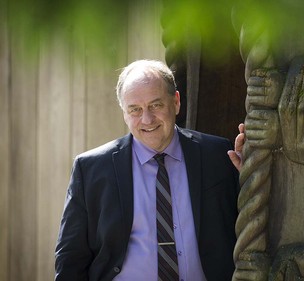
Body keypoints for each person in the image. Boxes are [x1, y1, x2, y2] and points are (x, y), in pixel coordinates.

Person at [55, 59, 242, 281]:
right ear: (124, 113)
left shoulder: (217, 154)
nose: (147, 119)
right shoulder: (91, 170)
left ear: (176, 102)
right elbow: (70, 260)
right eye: (135, 109)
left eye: (156, 105)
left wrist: (246, 173)